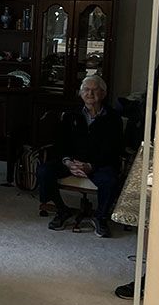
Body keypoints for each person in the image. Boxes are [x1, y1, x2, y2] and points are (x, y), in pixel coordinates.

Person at [37, 74, 124, 237]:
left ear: (103, 94)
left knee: (111, 181)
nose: (90, 93)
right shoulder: (71, 114)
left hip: (98, 164)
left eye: (94, 90)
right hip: (72, 161)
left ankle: (100, 217)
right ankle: (62, 211)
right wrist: (68, 161)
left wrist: (91, 166)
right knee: (44, 171)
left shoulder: (113, 118)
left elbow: (114, 149)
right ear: (80, 93)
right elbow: (60, 142)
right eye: (86, 89)